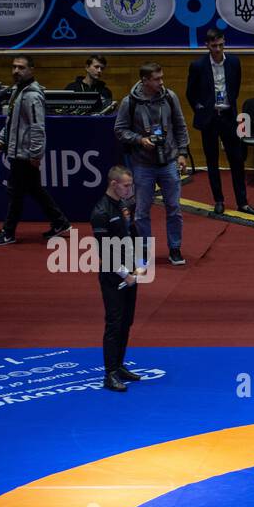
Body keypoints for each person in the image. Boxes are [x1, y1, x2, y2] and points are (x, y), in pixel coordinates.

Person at [0, 55, 70, 247]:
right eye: (14, 67)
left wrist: (35, 154)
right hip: (17, 151)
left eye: (21, 67)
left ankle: (8, 232)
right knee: (34, 189)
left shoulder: (32, 96)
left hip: (24, 154)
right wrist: (2, 139)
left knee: (15, 193)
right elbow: (11, 121)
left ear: (31, 70)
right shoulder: (17, 91)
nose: (16, 71)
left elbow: (38, 127)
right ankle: (60, 222)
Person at [114, 62, 191, 267]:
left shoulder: (170, 97)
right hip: (143, 164)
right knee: (141, 211)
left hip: (168, 161)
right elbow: (119, 130)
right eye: (157, 79)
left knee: (174, 207)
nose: (161, 82)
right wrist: (140, 140)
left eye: (161, 77)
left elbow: (180, 126)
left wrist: (182, 153)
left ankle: (175, 248)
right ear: (145, 81)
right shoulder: (129, 102)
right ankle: (144, 251)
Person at [186, 29, 254, 217]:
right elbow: (190, 93)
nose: (218, 49)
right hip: (209, 118)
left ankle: (242, 202)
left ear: (224, 42)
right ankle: (218, 200)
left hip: (228, 116)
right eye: (214, 46)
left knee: (237, 160)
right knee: (212, 161)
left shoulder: (234, 62)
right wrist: (201, 110)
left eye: (220, 45)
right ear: (207, 45)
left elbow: (235, 88)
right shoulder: (198, 66)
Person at [90, 165, 147, 392]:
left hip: (131, 272)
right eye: (126, 186)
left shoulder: (125, 205)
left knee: (126, 321)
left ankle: (120, 365)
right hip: (113, 276)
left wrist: (141, 263)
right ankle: (110, 373)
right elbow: (104, 252)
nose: (129, 189)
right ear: (114, 184)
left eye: (130, 185)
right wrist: (125, 274)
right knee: (114, 323)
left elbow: (133, 234)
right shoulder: (100, 212)